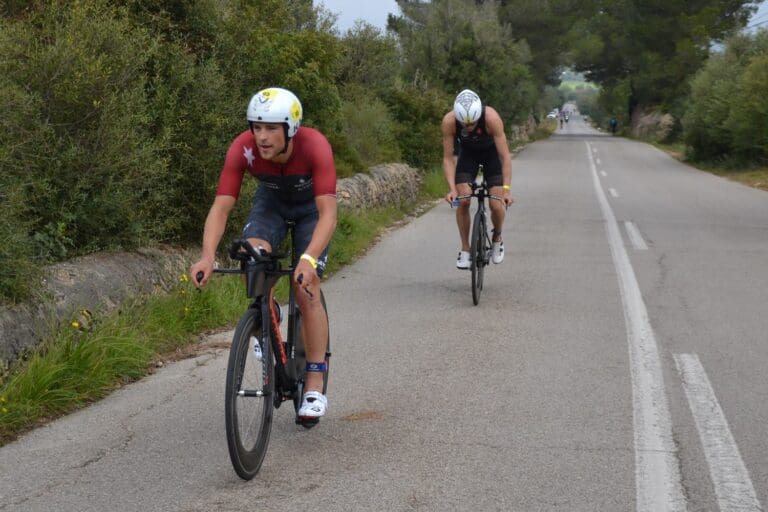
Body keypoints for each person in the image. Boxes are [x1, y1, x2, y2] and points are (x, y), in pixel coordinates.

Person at [190, 87, 336, 419]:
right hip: (270, 206)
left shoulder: (315, 146)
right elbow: (221, 207)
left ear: (291, 129)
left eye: (271, 128)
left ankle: (314, 380)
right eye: (256, 127)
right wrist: (207, 255)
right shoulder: (243, 149)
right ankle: (267, 316)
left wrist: (308, 259)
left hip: (311, 212)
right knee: (252, 257)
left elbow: (328, 214)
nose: (262, 137)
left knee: (305, 287)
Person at [442, 89, 513, 269]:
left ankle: (497, 237)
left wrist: (506, 190)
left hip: (492, 155)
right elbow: (448, 158)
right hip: (468, 155)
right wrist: (452, 189)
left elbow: (505, 157)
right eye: (464, 125)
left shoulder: (491, 118)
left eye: (472, 123)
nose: (468, 127)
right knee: (463, 200)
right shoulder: (449, 122)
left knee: (496, 204)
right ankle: (466, 249)